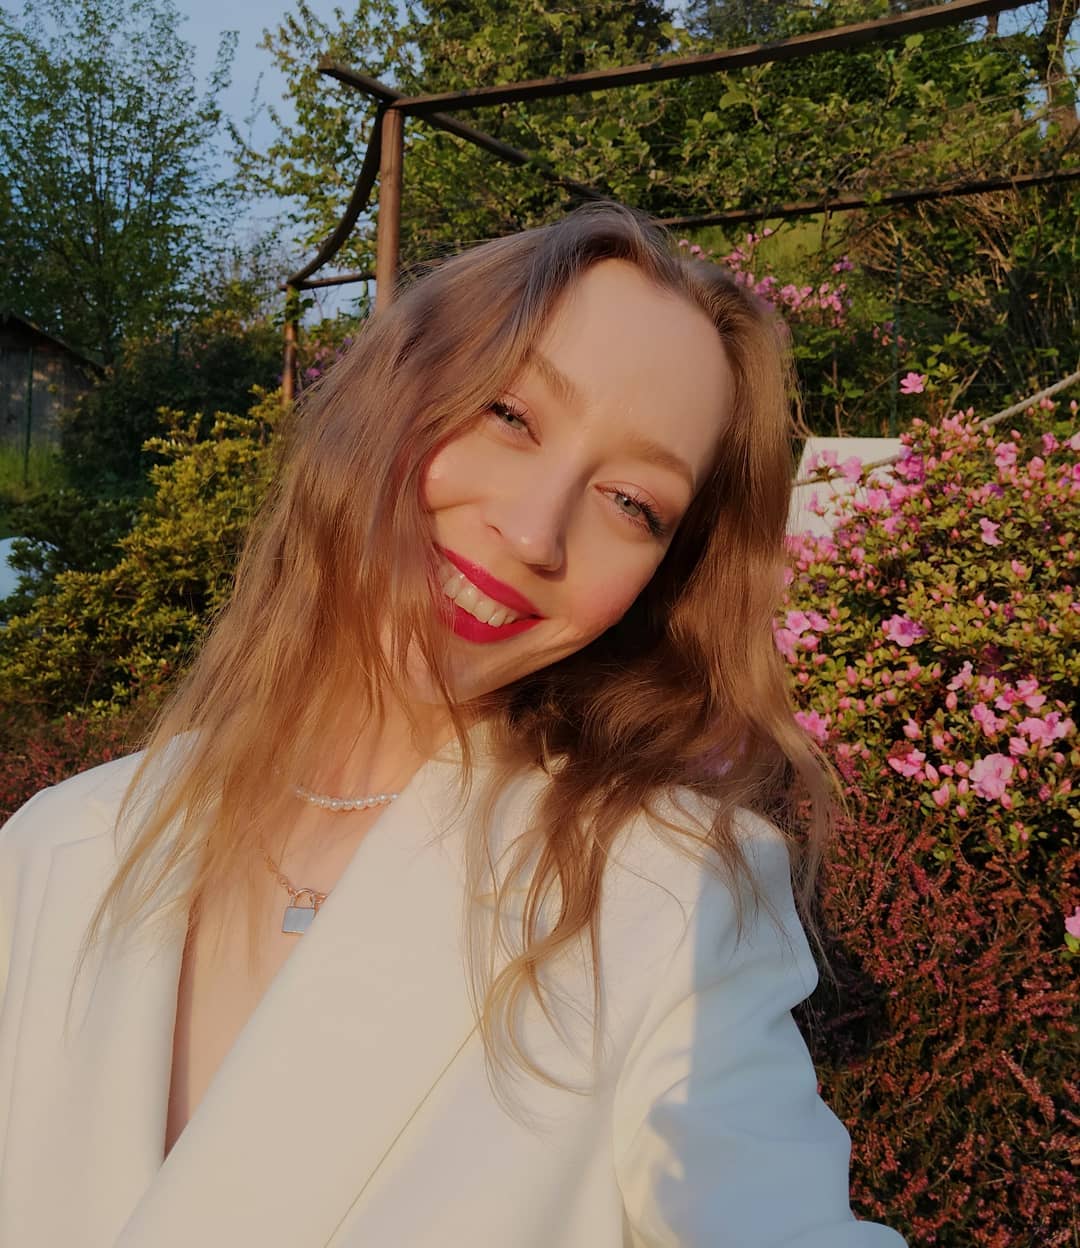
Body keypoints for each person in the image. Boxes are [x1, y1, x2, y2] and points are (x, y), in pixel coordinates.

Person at [0, 203, 908, 1247]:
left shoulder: (665, 896)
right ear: (388, 397)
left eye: (631, 502)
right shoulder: (58, 848)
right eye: (509, 416)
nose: (532, 531)